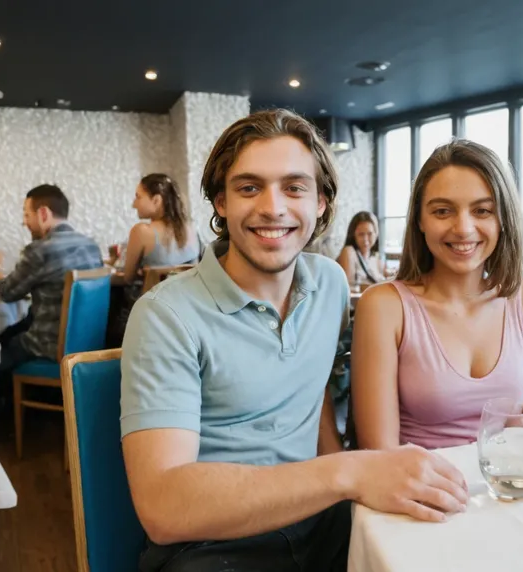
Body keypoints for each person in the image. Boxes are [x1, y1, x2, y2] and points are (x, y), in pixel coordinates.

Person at [120, 109, 469, 572]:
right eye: (249, 187)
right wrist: (349, 472)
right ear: (220, 202)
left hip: (324, 518)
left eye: (294, 187)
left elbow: (314, 389)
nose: (273, 207)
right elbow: (163, 509)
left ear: (321, 202)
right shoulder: (165, 315)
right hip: (212, 545)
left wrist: (347, 482)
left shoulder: (329, 284)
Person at [351, 140, 523, 452]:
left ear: (503, 219)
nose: (463, 228)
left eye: (482, 210)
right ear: (419, 220)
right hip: (414, 492)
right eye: (443, 211)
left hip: (502, 488)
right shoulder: (384, 306)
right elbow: (380, 457)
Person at [0, 184, 103, 428]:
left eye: (26, 215)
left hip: (50, 345)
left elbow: (7, 292)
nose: (25, 223)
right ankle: (12, 411)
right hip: (86, 343)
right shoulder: (90, 245)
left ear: (43, 213)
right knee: (7, 333)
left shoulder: (41, 250)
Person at [117, 173, 201, 285]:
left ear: (156, 200)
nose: (134, 204)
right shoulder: (191, 228)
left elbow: (128, 278)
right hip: (190, 299)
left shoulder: (141, 231)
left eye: (138, 197)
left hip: (153, 300)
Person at [336, 211, 387, 287]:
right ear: (353, 235)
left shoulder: (377, 258)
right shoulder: (349, 252)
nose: (365, 239)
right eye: (361, 234)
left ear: (376, 234)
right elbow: (349, 288)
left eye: (370, 234)